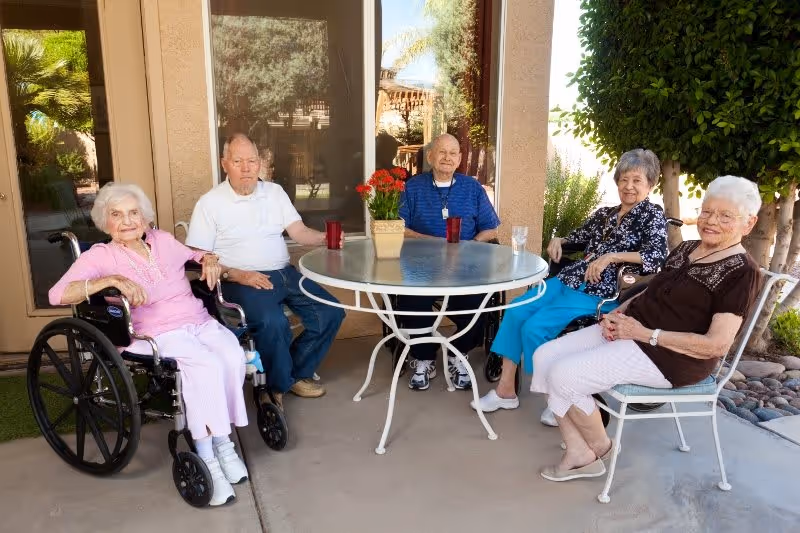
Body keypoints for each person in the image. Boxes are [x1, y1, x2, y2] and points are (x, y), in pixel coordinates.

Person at [531, 175, 761, 481]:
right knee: (544, 357)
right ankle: (579, 451)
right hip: (632, 331)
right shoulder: (688, 247)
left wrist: (643, 334)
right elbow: (649, 291)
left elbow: (717, 345)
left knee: (565, 375)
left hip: (671, 357)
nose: (711, 221)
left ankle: (601, 447)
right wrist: (618, 314)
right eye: (706, 211)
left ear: (748, 223)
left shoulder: (742, 272)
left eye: (725, 216)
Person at [49, 183, 248, 507]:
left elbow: (195, 255)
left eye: (133, 213)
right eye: (117, 215)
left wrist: (209, 257)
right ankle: (208, 454)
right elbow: (57, 295)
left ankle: (223, 443)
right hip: (153, 334)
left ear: (145, 218)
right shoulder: (102, 255)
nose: (127, 221)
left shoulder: (163, 241)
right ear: (105, 221)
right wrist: (110, 280)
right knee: (205, 366)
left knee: (230, 354)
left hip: (197, 321)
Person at [471, 148, 668, 425]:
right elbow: (575, 238)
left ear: (650, 184)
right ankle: (505, 391)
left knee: (535, 326)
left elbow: (657, 257)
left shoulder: (652, 215)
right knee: (516, 308)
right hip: (569, 279)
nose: (629, 186)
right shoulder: (605, 214)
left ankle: (560, 399)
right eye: (624, 179)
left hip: (602, 292)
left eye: (637, 180)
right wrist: (558, 240)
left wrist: (611, 256)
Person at [186, 133, 345, 409]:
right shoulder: (210, 203)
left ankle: (293, 374)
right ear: (225, 164)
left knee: (331, 311)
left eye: (251, 161)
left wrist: (321, 238)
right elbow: (199, 258)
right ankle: (274, 389)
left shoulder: (274, 193)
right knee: (274, 324)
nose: (246, 168)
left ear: (259, 163)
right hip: (241, 280)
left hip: (284, 273)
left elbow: (298, 230)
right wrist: (237, 274)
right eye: (238, 161)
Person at [396, 133, 501, 391]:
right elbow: (397, 226)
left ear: (460, 159)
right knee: (410, 301)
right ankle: (424, 357)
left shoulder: (472, 188)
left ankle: (458, 354)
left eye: (453, 153)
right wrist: (431, 242)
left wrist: (471, 247)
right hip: (420, 263)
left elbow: (491, 229)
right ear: (430, 156)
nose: (447, 158)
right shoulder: (413, 187)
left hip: (464, 265)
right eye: (441, 152)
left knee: (480, 303)